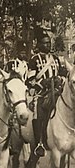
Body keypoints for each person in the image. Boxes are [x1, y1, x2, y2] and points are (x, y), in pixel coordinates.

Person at [26, 29, 66, 157]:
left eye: (49, 43)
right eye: (45, 43)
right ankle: (39, 143)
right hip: (42, 93)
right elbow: (30, 81)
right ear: (39, 45)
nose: (47, 45)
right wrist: (45, 82)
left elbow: (62, 74)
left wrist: (59, 79)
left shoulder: (55, 59)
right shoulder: (34, 60)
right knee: (38, 112)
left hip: (57, 92)